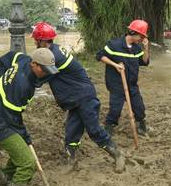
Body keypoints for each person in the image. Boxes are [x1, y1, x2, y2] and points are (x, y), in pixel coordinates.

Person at [31, 22, 125, 173]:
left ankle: (118, 154)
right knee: (72, 132)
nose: (35, 43)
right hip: (75, 99)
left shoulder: (53, 57)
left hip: (84, 97)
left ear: (42, 41)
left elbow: (37, 79)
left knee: (94, 130)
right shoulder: (53, 52)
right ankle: (70, 161)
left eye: (36, 40)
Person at [0, 48, 58, 186]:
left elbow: (6, 57)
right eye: (44, 70)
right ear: (34, 64)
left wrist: (1, 80)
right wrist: (26, 137)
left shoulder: (22, 59)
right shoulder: (21, 86)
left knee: (19, 156)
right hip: (0, 124)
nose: (46, 74)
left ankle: (1, 184)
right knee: (27, 163)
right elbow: (14, 120)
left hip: (5, 116)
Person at [96, 20, 150, 136]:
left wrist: (146, 48)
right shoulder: (114, 44)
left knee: (139, 107)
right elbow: (100, 56)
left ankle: (142, 126)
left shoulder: (136, 49)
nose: (142, 39)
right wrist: (115, 65)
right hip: (116, 84)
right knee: (115, 108)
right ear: (133, 33)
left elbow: (144, 62)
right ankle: (109, 128)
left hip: (132, 84)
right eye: (141, 36)